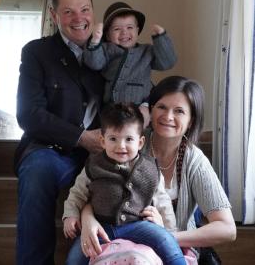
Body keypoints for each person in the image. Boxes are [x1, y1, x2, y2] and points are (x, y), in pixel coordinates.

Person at [77, 76, 237, 262]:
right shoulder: (129, 142)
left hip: (172, 246)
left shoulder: (194, 160)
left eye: (179, 111)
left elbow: (227, 228)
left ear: (191, 120)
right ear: (151, 110)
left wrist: (163, 236)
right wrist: (88, 218)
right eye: (162, 107)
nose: (168, 116)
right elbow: (96, 186)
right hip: (112, 239)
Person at [14, 0, 104, 265]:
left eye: (85, 9)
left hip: (104, 151)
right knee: (39, 171)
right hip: (51, 150)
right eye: (68, 12)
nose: (79, 19)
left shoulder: (112, 51)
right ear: (54, 15)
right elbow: (29, 114)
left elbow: (138, 84)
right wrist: (81, 138)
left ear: (93, 10)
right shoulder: (36, 52)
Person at [63, 102, 186, 265]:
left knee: (167, 242)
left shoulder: (150, 168)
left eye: (129, 139)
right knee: (76, 256)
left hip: (138, 225)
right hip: (102, 227)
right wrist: (70, 215)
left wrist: (169, 228)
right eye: (113, 139)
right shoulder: (93, 165)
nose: (121, 146)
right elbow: (77, 193)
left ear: (140, 142)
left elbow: (163, 201)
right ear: (102, 141)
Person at [83, 1, 177, 126]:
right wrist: (95, 41)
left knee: (138, 134)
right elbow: (94, 63)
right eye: (117, 29)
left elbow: (167, 62)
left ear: (137, 30)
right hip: (111, 109)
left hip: (139, 106)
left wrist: (161, 38)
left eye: (130, 27)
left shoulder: (146, 51)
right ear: (108, 35)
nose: (124, 33)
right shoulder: (107, 49)